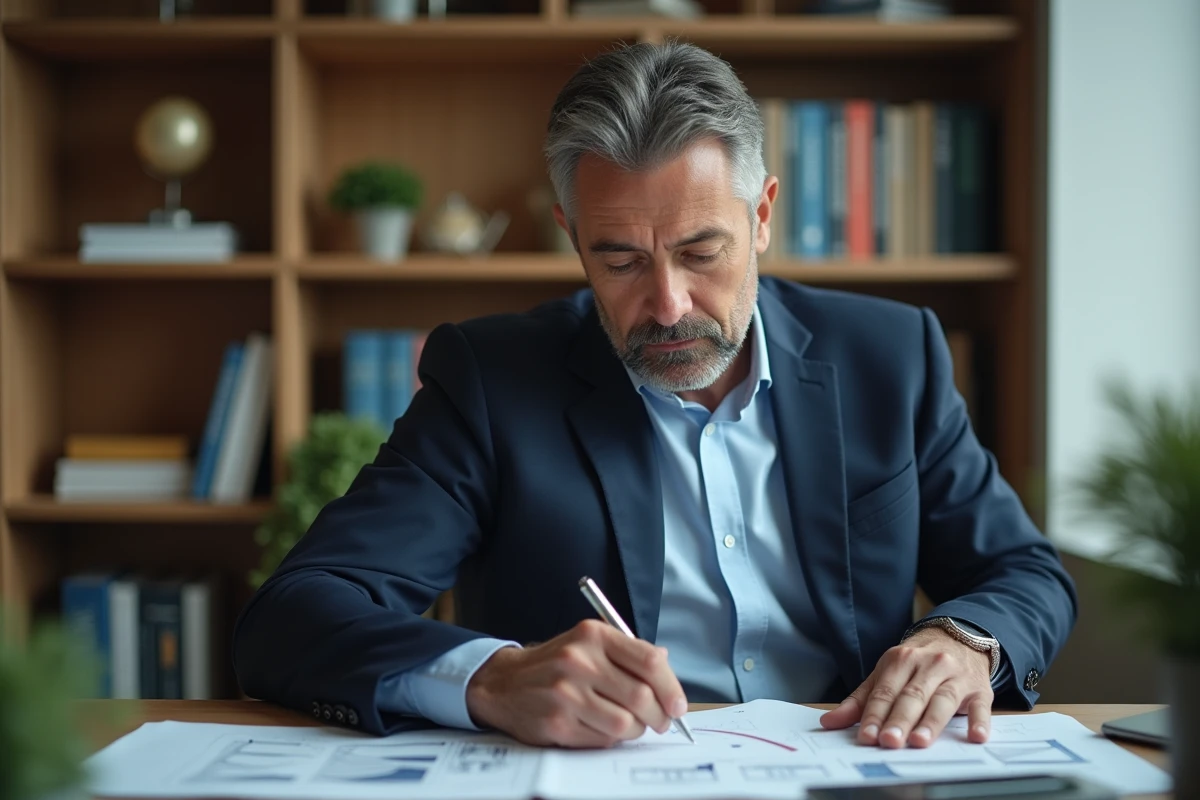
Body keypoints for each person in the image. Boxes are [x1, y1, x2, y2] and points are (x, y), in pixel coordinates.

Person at [233, 40, 1076, 751]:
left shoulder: (891, 357)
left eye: (702, 251)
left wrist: (965, 641)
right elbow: (295, 615)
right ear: (571, 238)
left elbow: (1023, 572)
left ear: (762, 218)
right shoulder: (491, 381)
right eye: (622, 260)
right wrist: (488, 678)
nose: (668, 305)